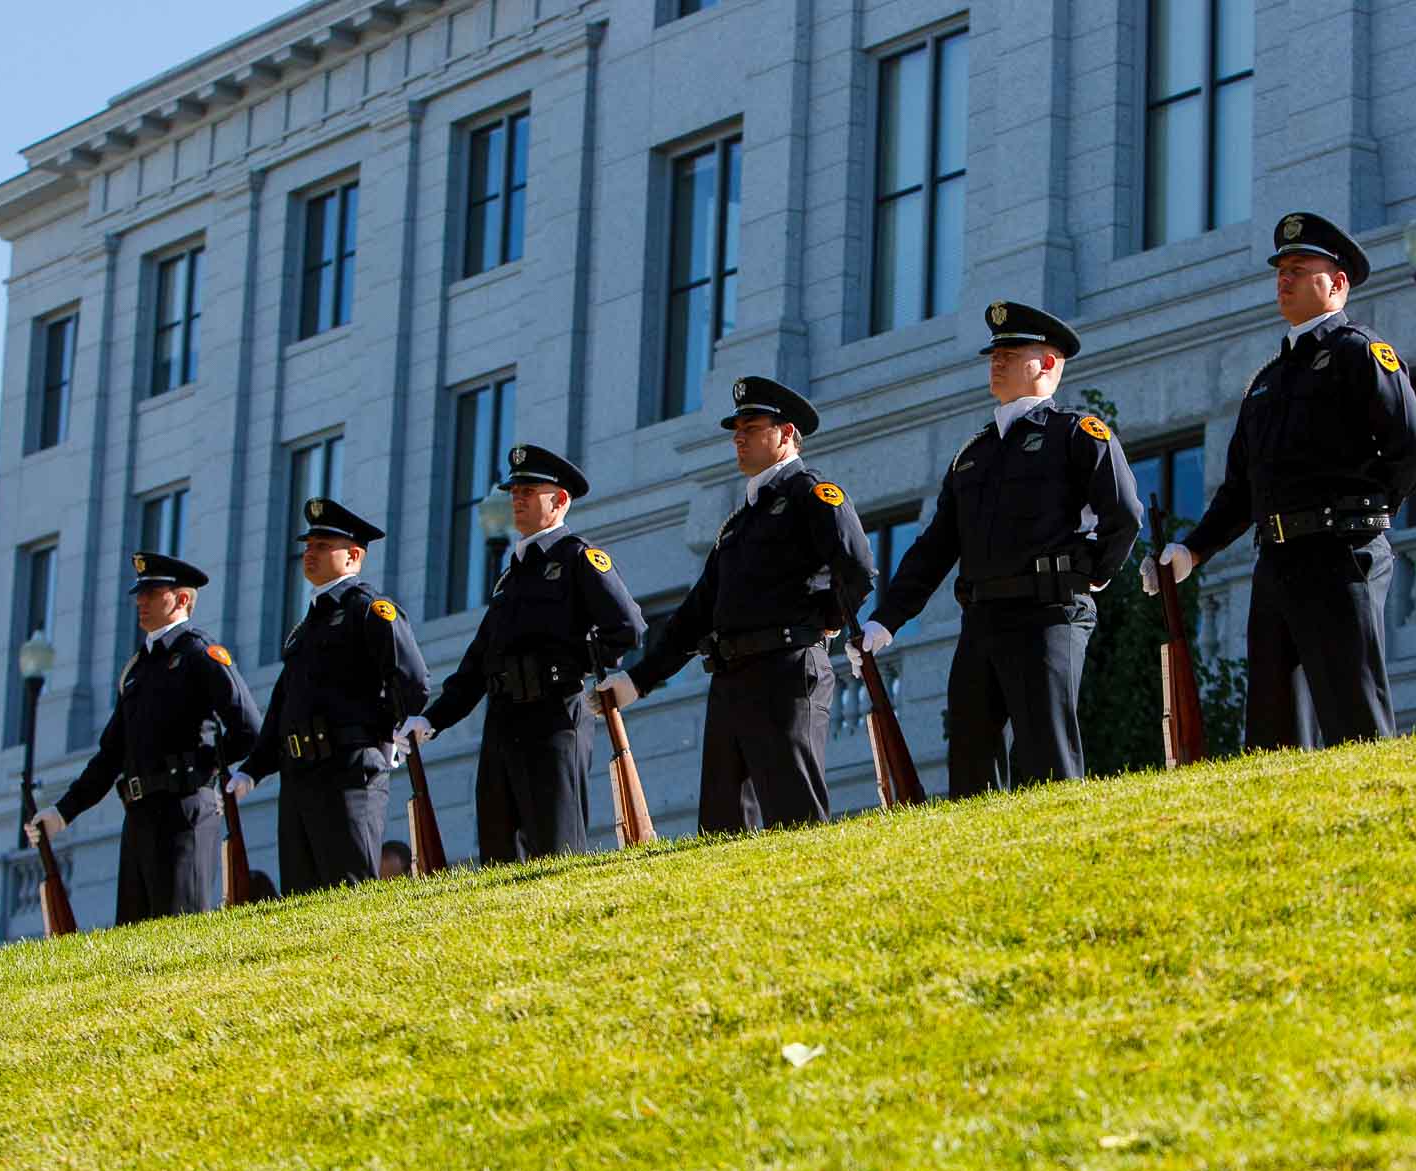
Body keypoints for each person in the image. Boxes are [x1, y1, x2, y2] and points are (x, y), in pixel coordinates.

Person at [1143, 213, 1416, 749]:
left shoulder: (1359, 353)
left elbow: (1412, 449)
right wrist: (1192, 552)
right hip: (1277, 560)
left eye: (1300, 268)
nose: (1285, 277)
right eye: (1281, 269)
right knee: (1274, 729)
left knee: (1354, 713)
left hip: (1341, 554)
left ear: (1337, 283)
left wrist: (1363, 516)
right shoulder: (1266, 382)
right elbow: (1238, 491)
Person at [854, 303, 1142, 794]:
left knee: (1045, 752)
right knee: (969, 755)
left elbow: (1124, 514)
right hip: (983, 620)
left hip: (1047, 613)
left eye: (1011, 352)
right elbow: (936, 546)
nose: (997, 361)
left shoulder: (1076, 434)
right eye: (994, 353)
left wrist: (1090, 573)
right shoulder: (974, 454)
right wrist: (887, 618)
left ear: (1048, 363)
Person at [595, 378, 874, 831]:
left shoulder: (812, 495)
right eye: (736, 429)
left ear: (785, 434)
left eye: (751, 427)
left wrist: (821, 621)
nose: (738, 438)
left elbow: (858, 569)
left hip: (787, 670)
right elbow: (695, 614)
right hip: (732, 679)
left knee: (794, 814)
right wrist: (639, 680)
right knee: (723, 825)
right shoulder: (738, 523)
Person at [396, 445, 645, 860]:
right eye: (514, 492)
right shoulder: (511, 575)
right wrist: (432, 719)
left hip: (554, 716)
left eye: (528, 491)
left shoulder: (578, 560)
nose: (517, 499)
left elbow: (628, 627)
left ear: (559, 500)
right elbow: (478, 663)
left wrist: (580, 665)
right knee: (498, 849)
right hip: (502, 720)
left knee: (556, 846)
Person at [26, 551, 262, 923]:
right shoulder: (137, 669)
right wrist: (62, 812)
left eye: (153, 592)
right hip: (138, 816)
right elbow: (110, 756)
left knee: (178, 932)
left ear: (182, 599)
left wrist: (205, 771)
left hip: (185, 812)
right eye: (141, 592)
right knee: (135, 939)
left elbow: (249, 728)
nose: (141, 601)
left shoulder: (200, 654)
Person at [227, 498, 430, 894]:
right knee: (303, 896)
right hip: (300, 775)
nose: (309, 553)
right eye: (308, 545)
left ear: (354, 556)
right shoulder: (306, 627)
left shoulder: (369, 610)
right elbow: (284, 707)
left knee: (349, 886)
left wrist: (389, 733)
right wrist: (253, 768)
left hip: (350, 770)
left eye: (322, 546)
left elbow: (414, 680)